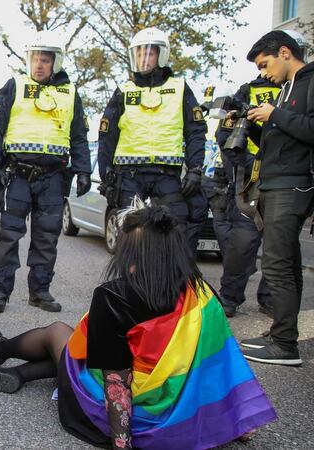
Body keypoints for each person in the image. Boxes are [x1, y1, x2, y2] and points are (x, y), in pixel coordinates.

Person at [0, 203, 277, 449]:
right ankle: (16, 374)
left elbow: (116, 386)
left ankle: (1, 349)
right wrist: (238, 422)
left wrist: (122, 443)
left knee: (60, 334)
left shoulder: (114, 296)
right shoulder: (201, 293)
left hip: (141, 416)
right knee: (82, 345)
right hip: (184, 408)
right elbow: (221, 363)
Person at [0, 33, 91, 313]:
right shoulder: (15, 86)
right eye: (35, 59)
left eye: (45, 60)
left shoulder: (71, 93)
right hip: (17, 175)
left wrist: (83, 170)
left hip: (53, 178)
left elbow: (79, 135)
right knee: (8, 235)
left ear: (56, 62)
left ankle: (40, 291)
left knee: (47, 237)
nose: (39, 65)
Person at [238, 31, 314, 366]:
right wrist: (255, 125)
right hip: (274, 183)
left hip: (293, 186)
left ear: (285, 52)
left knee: (276, 266)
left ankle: (285, 346)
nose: (263, 73)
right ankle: (281, 333)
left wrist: (275, 116)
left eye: (265, 64)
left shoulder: (310, 82)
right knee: (287, 264)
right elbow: (281, 139)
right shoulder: (285, 89)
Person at [97, 27, 207, 252]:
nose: (143, 59)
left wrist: (195, 169)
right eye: (138, 53)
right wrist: (105, 175)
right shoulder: (123, 91)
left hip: (167, 174)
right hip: (129, 175)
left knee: (177, 231)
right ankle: (130, 284)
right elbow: (106, 136)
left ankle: (174, 284)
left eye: (149, 53)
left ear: (162, 56)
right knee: (129, 235)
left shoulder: (179, 88)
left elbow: (196, 132)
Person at [214, 76, 280, 317]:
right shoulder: (248, 90)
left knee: (280, 242)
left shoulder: (302, 89)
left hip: (287, 175)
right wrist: (246, 165)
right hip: (252, 176)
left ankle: (270, 298)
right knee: (242, 241)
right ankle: (230, 298)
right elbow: (225, 135)